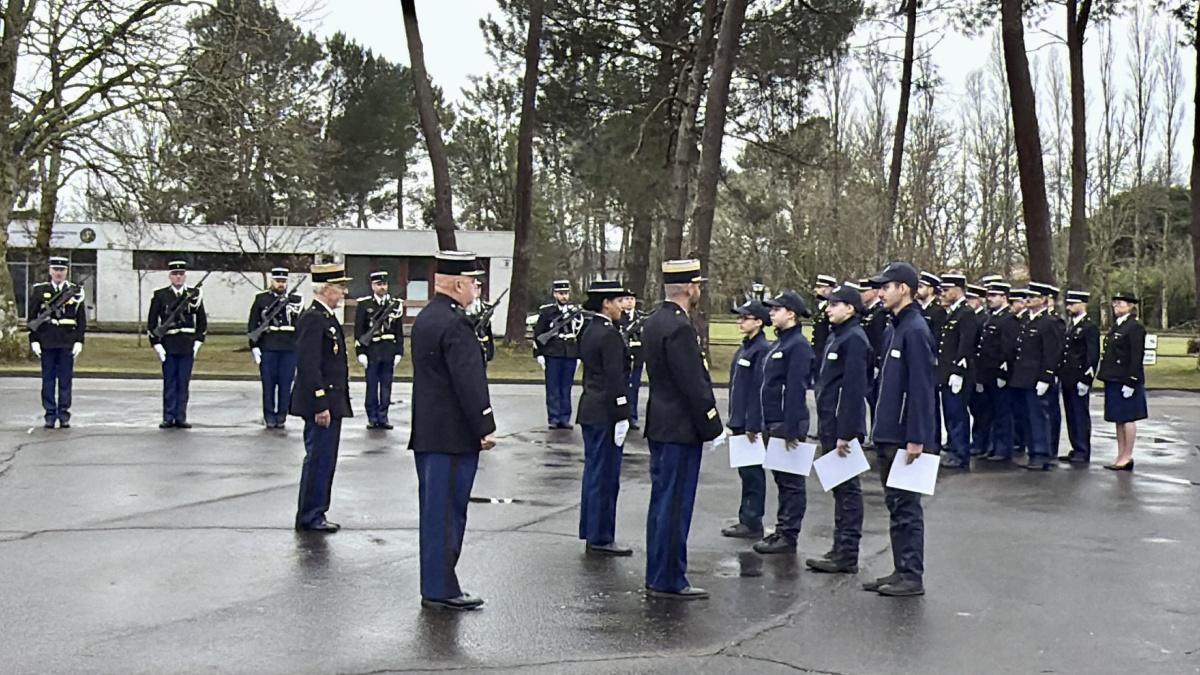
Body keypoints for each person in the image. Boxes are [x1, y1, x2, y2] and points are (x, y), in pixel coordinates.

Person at [409, 251, 496, 610]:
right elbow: (468, 380)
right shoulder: (455, 324)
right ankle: (442, 588)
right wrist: (485, 423)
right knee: (447, 514)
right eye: (474, 281)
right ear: (458, 284)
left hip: (430, 433)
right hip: (452, 436)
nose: (476, 287)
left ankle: (437, 584)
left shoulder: (427, 318)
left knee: (435, 513)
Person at [641, 259, 723, 600]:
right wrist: (712, 424)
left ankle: (658, 572)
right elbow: (692, 383)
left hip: (661, 423)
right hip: (679, 428)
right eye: (697, 284)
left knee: (662, 501)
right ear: (690, 287)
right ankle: (669, 578)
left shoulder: (654, 322)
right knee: (674, 505)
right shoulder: (679, 327)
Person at [862, 262, 936, 597]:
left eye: (885, 287)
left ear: (903, 288)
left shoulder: (916, 330)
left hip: (906, 437)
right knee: (895, 506)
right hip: (888, 433)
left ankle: (911, 575)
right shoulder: (894, 328)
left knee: (907, 507)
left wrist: (917, 438)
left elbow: (921, 389)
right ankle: (899, 568)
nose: (880, 293)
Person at [805, 284, 869, 575]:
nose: (828, 308)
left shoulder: (854, 339)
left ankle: (847, 552)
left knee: (848, 490)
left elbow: (854, 389)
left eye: (835, 304)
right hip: (830, 424)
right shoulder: (837, 336)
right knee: (839, 489)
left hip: (842, 428)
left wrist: (847, 431)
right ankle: (839, 546)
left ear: (850, 308)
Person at [290, 262, 353, 534]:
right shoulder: (313, 318)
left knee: (326, 460)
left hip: (332, 401)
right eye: (340, 287)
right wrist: (320, 403)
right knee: (318, 459)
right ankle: (310, 515)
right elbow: (308, 364)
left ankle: (317, 510)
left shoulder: (326, 317)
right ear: (326, 289)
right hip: (322, 403)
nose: (344, 292)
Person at [576, 280, 635, 556]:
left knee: (594, 472)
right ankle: (601, 536)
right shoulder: (609, 335)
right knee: (605, 475)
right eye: (617, 301)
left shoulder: (590, 329)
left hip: (590, 407)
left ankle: (592, 530)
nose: (623, 306)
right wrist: (622, 412)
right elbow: (615, 378)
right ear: (605, 304)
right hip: (605, 411)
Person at [755, 290, 815, 555]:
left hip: (787, 424)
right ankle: (781, 529)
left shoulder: (798, 345)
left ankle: (789, 534)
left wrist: (790, 428)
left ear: (791, 313)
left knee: (791, 483)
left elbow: (795, 389)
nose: (771, 313)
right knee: (781, 481)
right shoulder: (779, 344)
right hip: (773, 421)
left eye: (776, 309)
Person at [720, 298, 771, 540]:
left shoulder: (761, 349)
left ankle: (752, 520)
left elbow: (758, 390)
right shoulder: (746, 347)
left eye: (745, 318)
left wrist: (753, 423)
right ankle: (746, 517)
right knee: (745, 471)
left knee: (752, 473)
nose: (740, 321)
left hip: (750, 423)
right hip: (739, 419)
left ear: (759, 322)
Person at [1009, 282, 1063, 471]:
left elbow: (1052, 352)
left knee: (1038, 417)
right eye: (1028, 297)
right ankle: (1033, 452)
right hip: (1023, 377)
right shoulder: (1027, 321)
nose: (1029, 300)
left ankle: (1041, 454)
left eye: (1034, 297)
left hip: (1037, 377)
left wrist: (1046, 377)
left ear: (1044, 300)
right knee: (1027, 417)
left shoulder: (1049, 323)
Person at [27, 256, 87, 429]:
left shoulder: (74, 292)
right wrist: (34, 340)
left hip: (67, 341)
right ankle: (50, 414)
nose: (58, 273)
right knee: (48, 380)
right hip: (47, 340)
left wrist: (79, 341)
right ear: (50, 271)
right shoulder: (40, 291)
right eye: (55, 270)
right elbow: (33, 318)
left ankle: (64, 414)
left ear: (66, 271)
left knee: (65, 380)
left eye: (62, 270)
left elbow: (80, 319)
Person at [147, 260, 207, 429]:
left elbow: (202, 322)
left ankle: (181, 416)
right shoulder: (160, 295)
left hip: (187, 345)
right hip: (169, 345)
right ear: (170, 276)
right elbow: (152, 322)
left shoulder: (194, 295)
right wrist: (156, 344)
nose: (178, 277)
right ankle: (168, 416)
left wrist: (197, 343)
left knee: (183, 383)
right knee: (170, 383)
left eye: (181, 274)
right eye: (175, 274)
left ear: (185, 276)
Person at [247, 267, 302, 429]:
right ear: (272, 281)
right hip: (269, 346)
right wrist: (254, 347)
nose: (280, 284)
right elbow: (253, 324)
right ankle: (269, 415)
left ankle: (282, 415)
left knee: (286, 384)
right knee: (269, 384)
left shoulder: (296, 299)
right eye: (278, 281)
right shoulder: (261, 299)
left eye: (283, 281)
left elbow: (301, 324)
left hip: (289, 348)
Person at [1097, 292, 1146, 472]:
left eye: (1120, 303)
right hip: (1114, 378)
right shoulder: (1117, 326)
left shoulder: (1134, 327)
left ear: (1131, 306)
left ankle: (1127, 455)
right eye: (1115, 303)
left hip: (1126, 379)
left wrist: (1131, 381)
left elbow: (1135, 356)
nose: (1116, 306)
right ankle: (1120, 454)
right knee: (1118, 418)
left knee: (1128, 418)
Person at [936, 273, 978, 470]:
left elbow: (966, 343)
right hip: (947, 371)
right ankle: (953, 448)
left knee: (957, 414)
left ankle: (960, 453)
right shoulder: (952, 312)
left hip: (958, 372)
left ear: (958, 290)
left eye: (946, 290)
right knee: (950, 413)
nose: (942, 294)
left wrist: (958, 371)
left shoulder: (966, 313)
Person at [354, 271, 405, 430]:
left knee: (386, 386)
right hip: (372, 351)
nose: (382, 287)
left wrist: (399, 351)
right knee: (371, 386)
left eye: (384, 284)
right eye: (378, 284)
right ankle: (372, 416)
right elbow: (359, 330)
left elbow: (399, 331)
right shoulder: (364, 305)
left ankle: (383, 416)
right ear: (372, 286)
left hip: (388, 350)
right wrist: (360, 352)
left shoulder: (394, 305)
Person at [977, 282, 1020, 462]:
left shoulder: (1009, 319)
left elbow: (1008, 348)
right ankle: (993, 446)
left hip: (999, 372)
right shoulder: (991, 317)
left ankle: (1003, 448)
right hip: (988, 371)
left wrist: (1004, 372)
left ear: (1004, 297)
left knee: (1003, 412)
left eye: (994, 295)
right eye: (989, 295)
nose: (990, 299)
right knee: (991, 412)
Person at [1058, 290, 1100, 464]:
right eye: (1068, 304)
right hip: (1068, 376)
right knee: (1071, 413)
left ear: (1083, 304)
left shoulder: (1089, 327)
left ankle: (1083, 449)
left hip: (1079, 376)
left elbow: (1092, 354)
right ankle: (1075, 447)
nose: (1069, 307)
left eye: (1073, 304)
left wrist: (1087, 378)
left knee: (1080, 414)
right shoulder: (1071, 325)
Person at [533, 280, 581, 429]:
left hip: (569, 353)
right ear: (554, 294)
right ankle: (554, 417)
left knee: (566, 387)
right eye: (561, 293)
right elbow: (539, 334)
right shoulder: (547, 312)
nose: (564, 296)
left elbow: (579, 334)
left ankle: (565, 418)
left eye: (566, 293)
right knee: (553, 387)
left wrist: (579, 355)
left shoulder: (574, 312)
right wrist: (539, 354)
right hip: (552, 353)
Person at [617, 293, 647, 430]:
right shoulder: (617, 317)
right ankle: (621, 416)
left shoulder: (641, 318)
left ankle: (632, 417)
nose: (629, 302)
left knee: (634, 388)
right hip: (622, 359)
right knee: (621, 388)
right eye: (627, 299)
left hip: (638, 357)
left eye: (632, 299)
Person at [810, 274, 837, 366]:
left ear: (829, 289)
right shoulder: (821, 307)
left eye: (819, 287)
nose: (816, 290)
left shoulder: (831, 309)